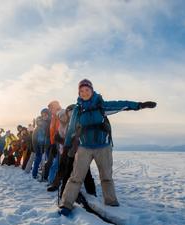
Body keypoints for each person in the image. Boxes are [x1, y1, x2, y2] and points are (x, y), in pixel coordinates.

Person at [59, 79, 157, 216]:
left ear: (92, 91)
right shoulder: (77, 109)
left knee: (106, 177)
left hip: (103, 148)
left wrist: (139, 105)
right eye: (81, 91)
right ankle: (66, 204)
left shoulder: (101, 105)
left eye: (87, 90)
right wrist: (67, 145)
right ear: (79, 93)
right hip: (84, 148)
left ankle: (111, 203)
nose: (84, 93)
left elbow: (121, 105)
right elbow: (71, 128)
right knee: (76, 177)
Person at [43, 101, 61, 182]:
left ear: (55, 107)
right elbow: (51, 132)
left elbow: (61, 129)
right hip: (53, 143)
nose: (50, 110)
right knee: (50, 162)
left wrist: (57, 140)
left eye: (51, 108)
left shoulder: (60, 115)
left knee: (56, 163)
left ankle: (53, 180)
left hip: (60, 143)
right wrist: (52, 143)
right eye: (49, 108)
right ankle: (49, 179)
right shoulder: (53, 117)